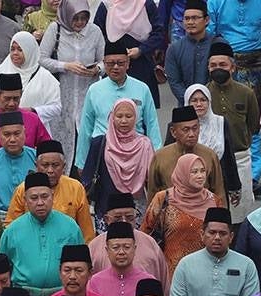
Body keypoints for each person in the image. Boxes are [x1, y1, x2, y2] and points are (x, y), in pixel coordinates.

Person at [171, 207, 259, 296]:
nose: (217, 237)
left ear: (231, 237)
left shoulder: (246, 265)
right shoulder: (186, 264)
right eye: (212, 232)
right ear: (202, 235)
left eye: (223, 233)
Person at [0, 173, 84, 296]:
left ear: (52, 196)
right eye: (34, 198)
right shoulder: (12, 230)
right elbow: (3, 268)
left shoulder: (70, 226)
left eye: (45, 196)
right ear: (25, 200)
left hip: (62, 295)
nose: (40, 203)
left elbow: (81, 264)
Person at [74, 42, 162, 171]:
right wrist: (82, 163)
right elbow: (86, 127)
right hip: (103, 152)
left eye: (120, 63)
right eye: (110, 64)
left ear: (128, 64)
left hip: (135, 151)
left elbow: (152, 123)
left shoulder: (142, 88)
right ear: (104, 63)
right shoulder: (94, 90)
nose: (115, 67)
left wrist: (156, 157)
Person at [39, 0, 104, 172]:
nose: (80, 23)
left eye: (84, 18)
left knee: (87, 136)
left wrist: (97, 69)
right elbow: (42, 59)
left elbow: (105, 60)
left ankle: (87, 180)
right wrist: (65, 66)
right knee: (63, 137)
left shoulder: (94, 31)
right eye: (75, 18)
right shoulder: (56, 29)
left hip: (87, 92)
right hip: (62, 92)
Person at [141, 154, 223, 279]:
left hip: (205, 273)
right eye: (194, 172)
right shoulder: (163, 198)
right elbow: (145, 232)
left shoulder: (215, 201)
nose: (200, 176)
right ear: (182, 173)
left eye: (203, 171)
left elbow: (222, 235)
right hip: (171, 272)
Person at [202, 45, 261, 218]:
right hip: (210, 159)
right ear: (208, 67)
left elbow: (253, 126)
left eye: (223, 64)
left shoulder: (246, 93)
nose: (218, 69)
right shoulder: (202, 94)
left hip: (239, 158)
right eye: (213, 66)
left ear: (233, 67)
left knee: (240, 212)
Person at [80, 100, 155, 229]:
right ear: (112, 117)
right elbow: (87, 178)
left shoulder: (145, 144)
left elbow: (152, 181)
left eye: (129, 116)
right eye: (119, 116)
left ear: (136, 118)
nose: (124, 121)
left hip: (136, 212)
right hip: (107, 210)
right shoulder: (100, 143)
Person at [178, 83, 244, 219]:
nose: (199, 104)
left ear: (209, 102)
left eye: (203, 100)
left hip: (217, 182)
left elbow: (228, 156)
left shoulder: (220, 122)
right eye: (194, 100)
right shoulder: (178, 124)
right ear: (186, 102)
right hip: (187, 185)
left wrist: (234, 186)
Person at [4, 141, 94, 241]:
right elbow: (11, 227)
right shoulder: (24, 189)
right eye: (45, 165)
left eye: (55, 165)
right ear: (36, 165)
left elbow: (86, 232)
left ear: (63, 166)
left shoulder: (75, 188)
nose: (50, 170)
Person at [0, 33, 62, 135]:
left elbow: (56, 107)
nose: (15, 53)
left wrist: (33, 111)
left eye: (20, 50)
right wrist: (3, 108)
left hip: (35, 132)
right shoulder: (1, 72)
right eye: (12, 49)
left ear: (30, 51)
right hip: (4, 133)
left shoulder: (45, 77)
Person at [148, 106, 228, 206]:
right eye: (186, 130)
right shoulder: (160, 157)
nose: (191, 134)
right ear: (173, 132)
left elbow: (219, 192)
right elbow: (152, 193)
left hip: (204, 214)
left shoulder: (209, 155)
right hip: (172, 216)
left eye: (195, 129)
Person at [87, 222, 158, 296]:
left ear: (134, 249)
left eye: (126, 247)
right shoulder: (95, 282)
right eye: (115, 247)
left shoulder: (148, 281)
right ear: (107, 250)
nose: (121, 252)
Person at [93, 0, 165, 110]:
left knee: (143, 110)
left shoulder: (145, 4)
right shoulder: (107, 5)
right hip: (114, 68)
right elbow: (97, 35)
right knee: (113, 112)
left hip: (142, 66)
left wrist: (141, 49)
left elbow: (159, 32)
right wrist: (112, 54)